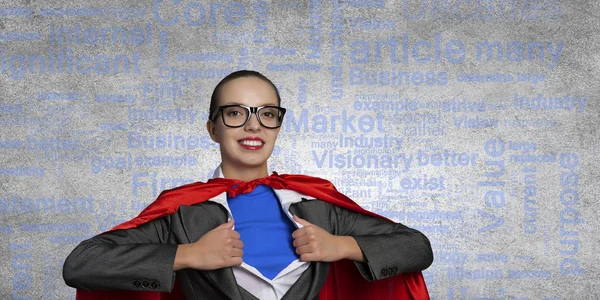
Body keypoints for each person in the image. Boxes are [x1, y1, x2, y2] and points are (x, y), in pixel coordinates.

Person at [63, 70, 434, 300]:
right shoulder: (181, 212)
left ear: (277, 125)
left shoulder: (317, 203)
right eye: (236, 113)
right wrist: (189, 255)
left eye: (267, 114)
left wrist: (342, 245)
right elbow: (81, 264)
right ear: (213, 128)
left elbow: (416, 248)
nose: (253, 126)